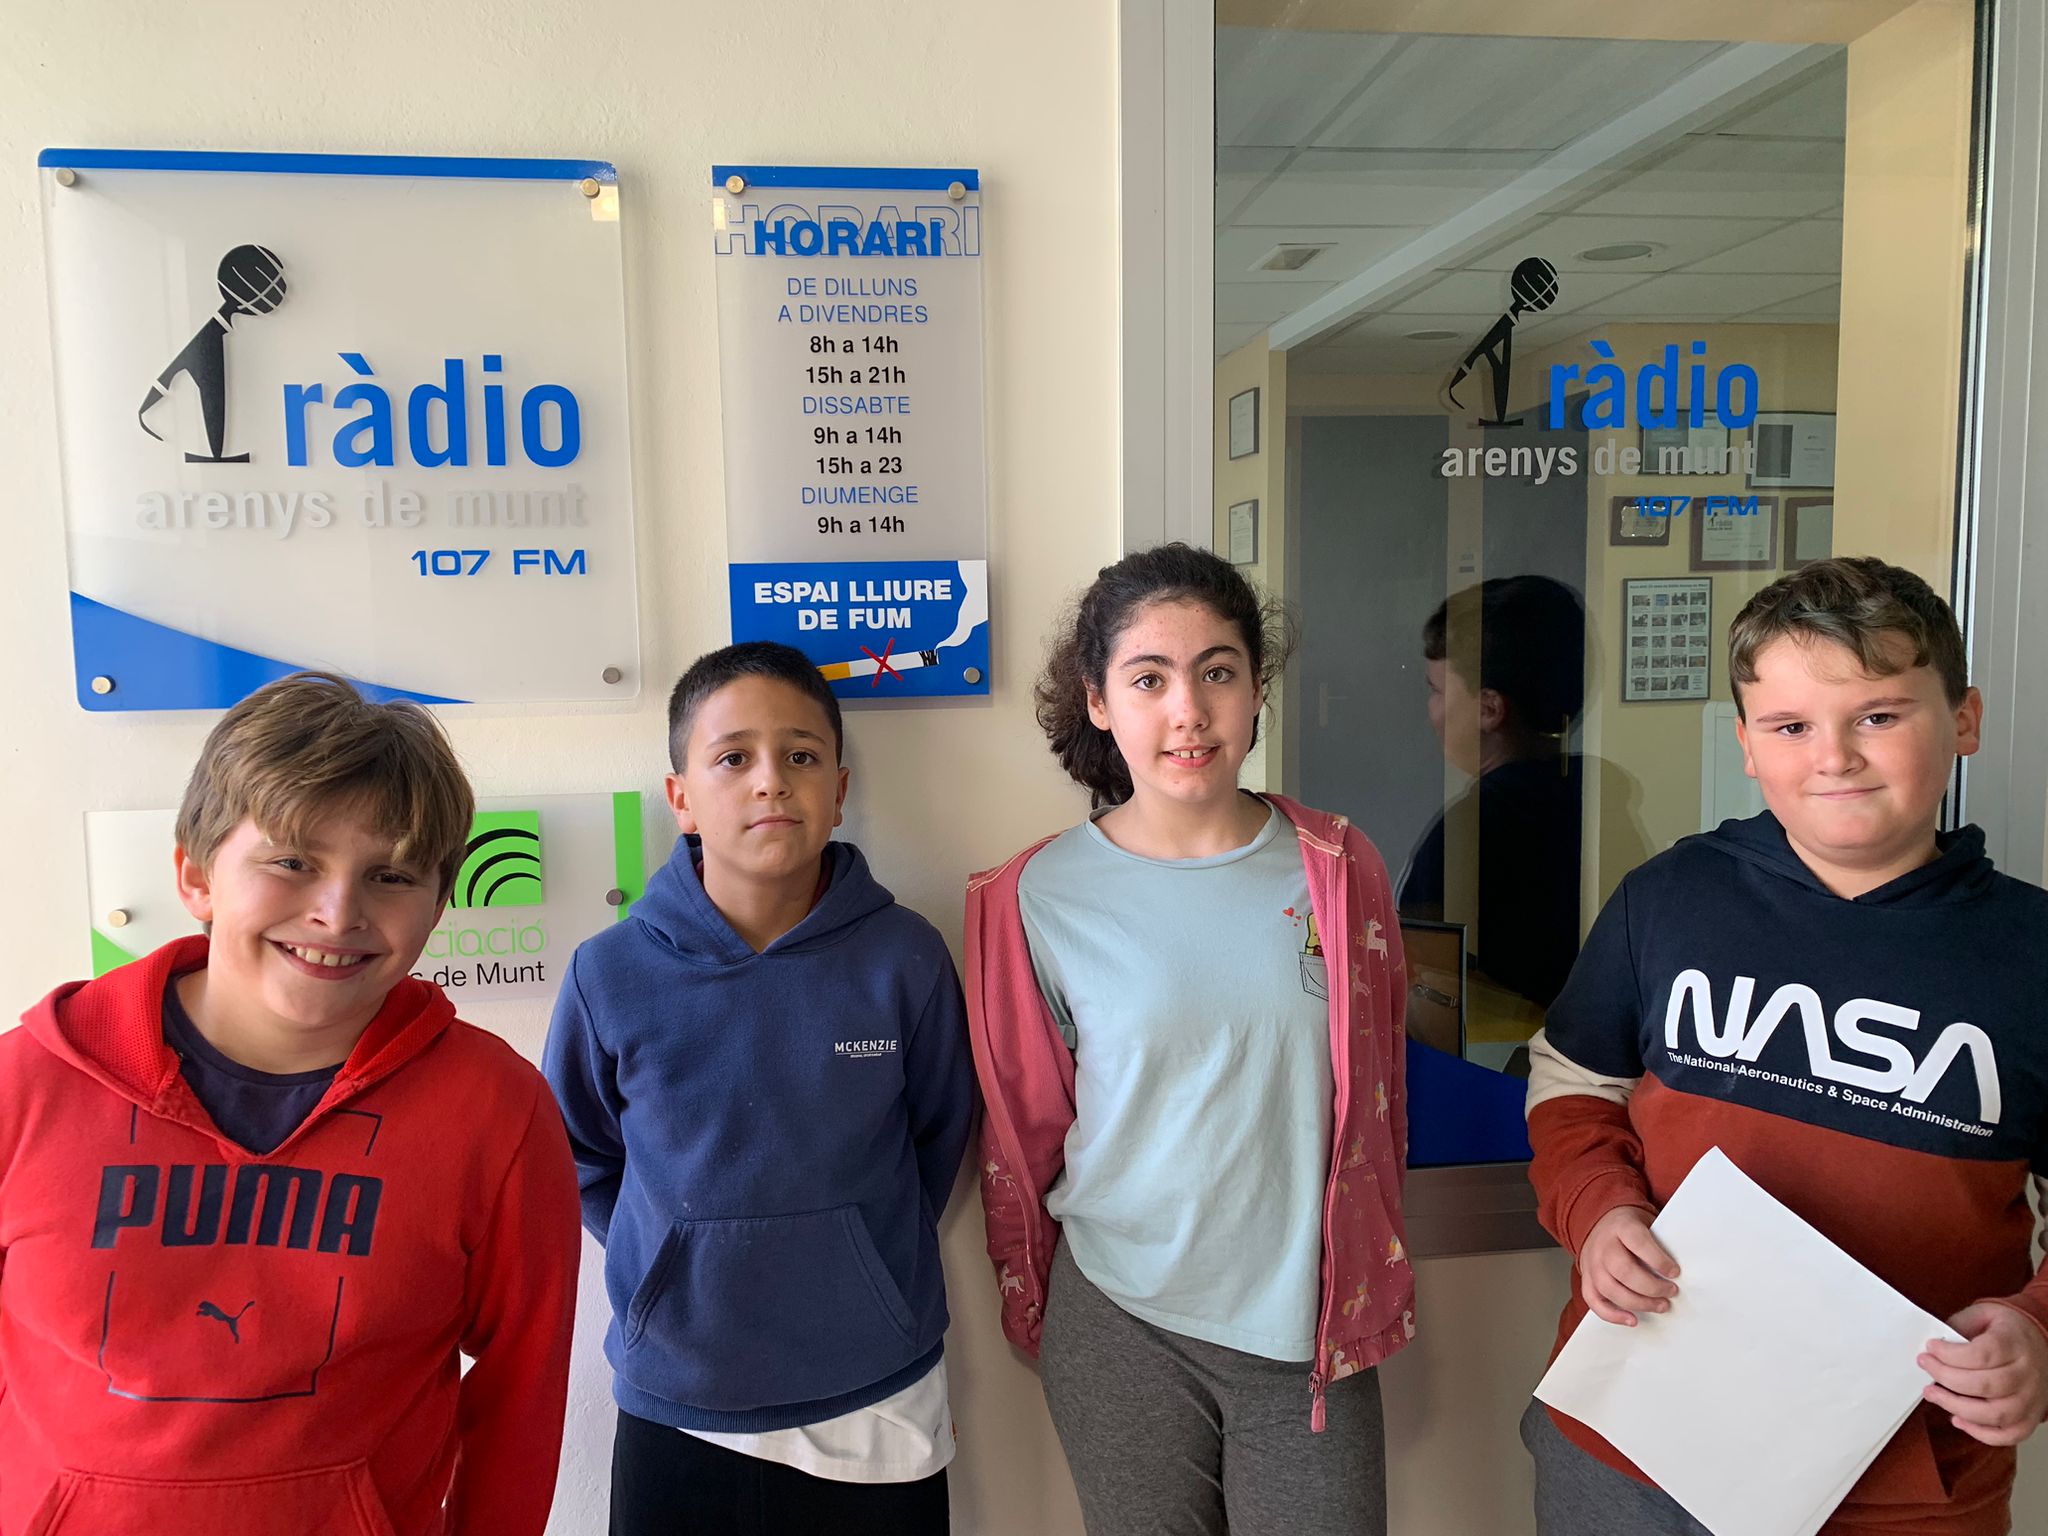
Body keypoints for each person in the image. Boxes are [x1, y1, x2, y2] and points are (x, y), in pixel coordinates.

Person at [1524, 556, 2048, 1536]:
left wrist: (2037, 1328)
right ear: (1746, 745)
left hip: (1900, 1483)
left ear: (1963, 719)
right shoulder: (1668, 899)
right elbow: (1571, 1081)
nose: (1833, 757)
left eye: (1878, 715)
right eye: (1790, 726)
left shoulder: (2031, 953)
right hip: (1634, 1434)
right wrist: (1598, 1212)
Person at [0, 671, 581, 1536]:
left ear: (437, 907)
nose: (338, 913)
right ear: (196, 875)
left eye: (391, 875)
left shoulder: (498, 1114)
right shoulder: (23, 1087)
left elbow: (521, 1396)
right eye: (292, 862)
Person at [965, 543, 1412, 1536]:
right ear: (1097, 701)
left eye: (1217, 672)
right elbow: (1024, 1133)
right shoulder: (1031, 897)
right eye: (1149, 679)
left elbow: (1380, 1093)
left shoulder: (1339, 867)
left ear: (1257, 690)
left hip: (1306, 1325)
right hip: (1121, 1321)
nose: (1188, 711)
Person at [543, 640, 974, 1536]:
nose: (771, 781)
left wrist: (853, 1257)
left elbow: (939, 1136)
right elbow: (579, 1156)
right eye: (734, 758)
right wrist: (675, 1259)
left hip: (877, 1394)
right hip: (679, 1399)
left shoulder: (905, 957)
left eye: (801, 756)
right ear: (681, 798)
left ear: (840, 790)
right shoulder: (609, 973)